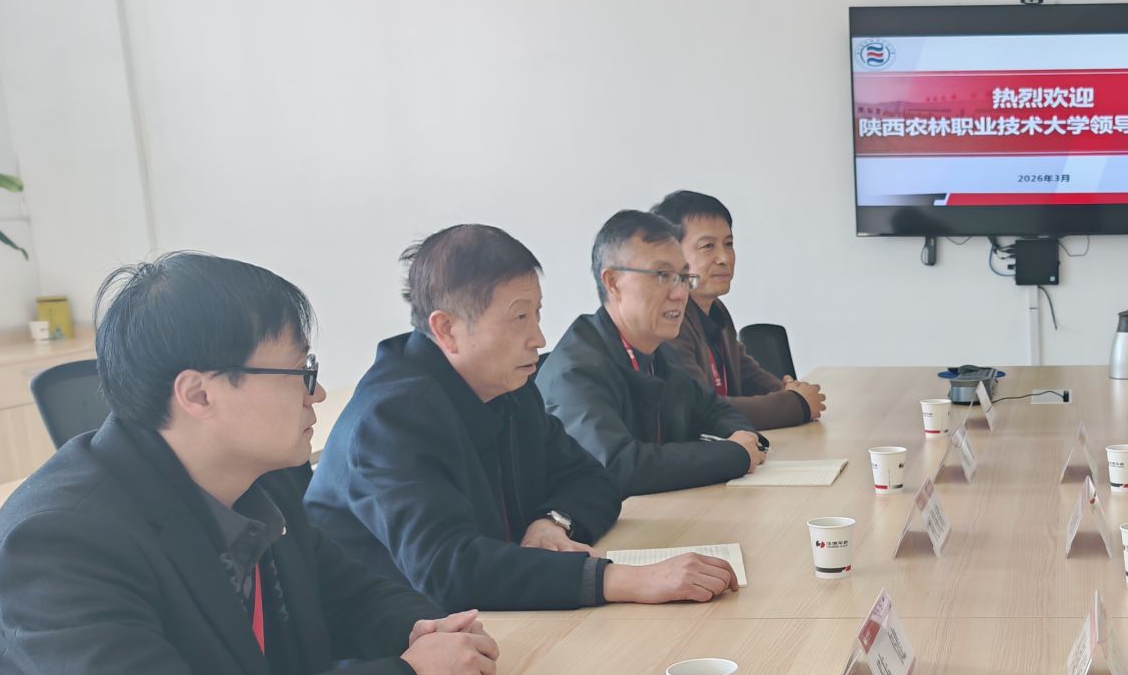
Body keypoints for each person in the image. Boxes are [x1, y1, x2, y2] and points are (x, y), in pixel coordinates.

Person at [0, 253, 498, 675]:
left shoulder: (260, 480)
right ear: (198, 394)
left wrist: (423, 631)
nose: (316, 394)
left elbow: (346, 594)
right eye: (300, 372)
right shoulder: (60, 538)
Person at [308, 225, 737, 610]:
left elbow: (595, 479)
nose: (539, 337)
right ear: (447, 330)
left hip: (499, 622)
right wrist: (621, 580)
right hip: (399, 648)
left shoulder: (509, 388)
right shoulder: (390, 419)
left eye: (537, 314)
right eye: (518, 317)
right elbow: (450, 568)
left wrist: (552, 522)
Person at [537, 209, 768, 495]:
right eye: (662, 275)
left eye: (683, 277)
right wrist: (733, 455)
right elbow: (617, 466)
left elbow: (713, 409)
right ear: (612, 282)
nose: (679, 293)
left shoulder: (658, 353)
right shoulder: (576, 372)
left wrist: (742, 437)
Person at [653, 189, 827, 429]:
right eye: (708, 246)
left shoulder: (715, 309)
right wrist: (796, 404)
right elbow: (701, 409)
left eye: (728, 244)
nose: (724, 257)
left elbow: (747, 374)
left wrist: (787, 390)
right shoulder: (668, 319)